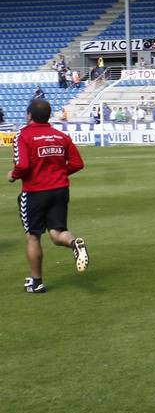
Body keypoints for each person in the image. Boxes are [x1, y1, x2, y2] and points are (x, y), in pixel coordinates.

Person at [8, 99, 89, 293]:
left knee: (33, 236)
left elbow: (23, 166)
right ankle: (74, 242)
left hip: (35, 192)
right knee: (57, 232)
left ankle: (37, 282)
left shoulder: (23, 135)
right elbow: (77, 164)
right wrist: (59, 174)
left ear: (29, 116)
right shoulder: (60, 136)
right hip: (60, 190)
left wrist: (13, 175)